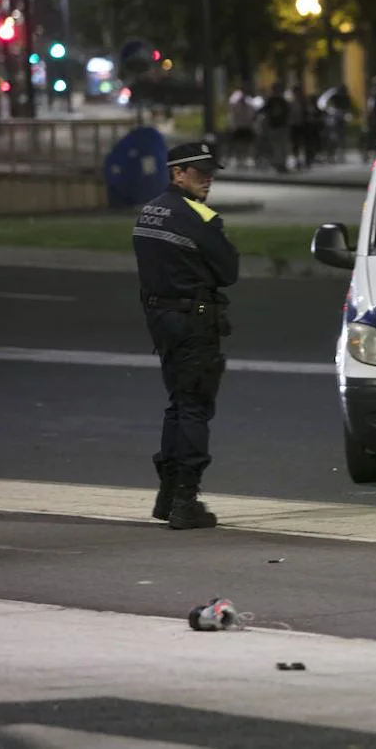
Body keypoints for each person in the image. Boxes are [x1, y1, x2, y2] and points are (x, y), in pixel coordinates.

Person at [132, 142, 239, 529]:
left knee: (178, 404)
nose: (208, 178)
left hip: (161, 320)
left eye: (210, 171)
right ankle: (184, 500)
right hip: (195, 322)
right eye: (199, 171)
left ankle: (166, 495)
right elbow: (229, 271)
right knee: (194, 407)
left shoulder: (149, 212)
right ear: (178, 173)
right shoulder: (200, 218)